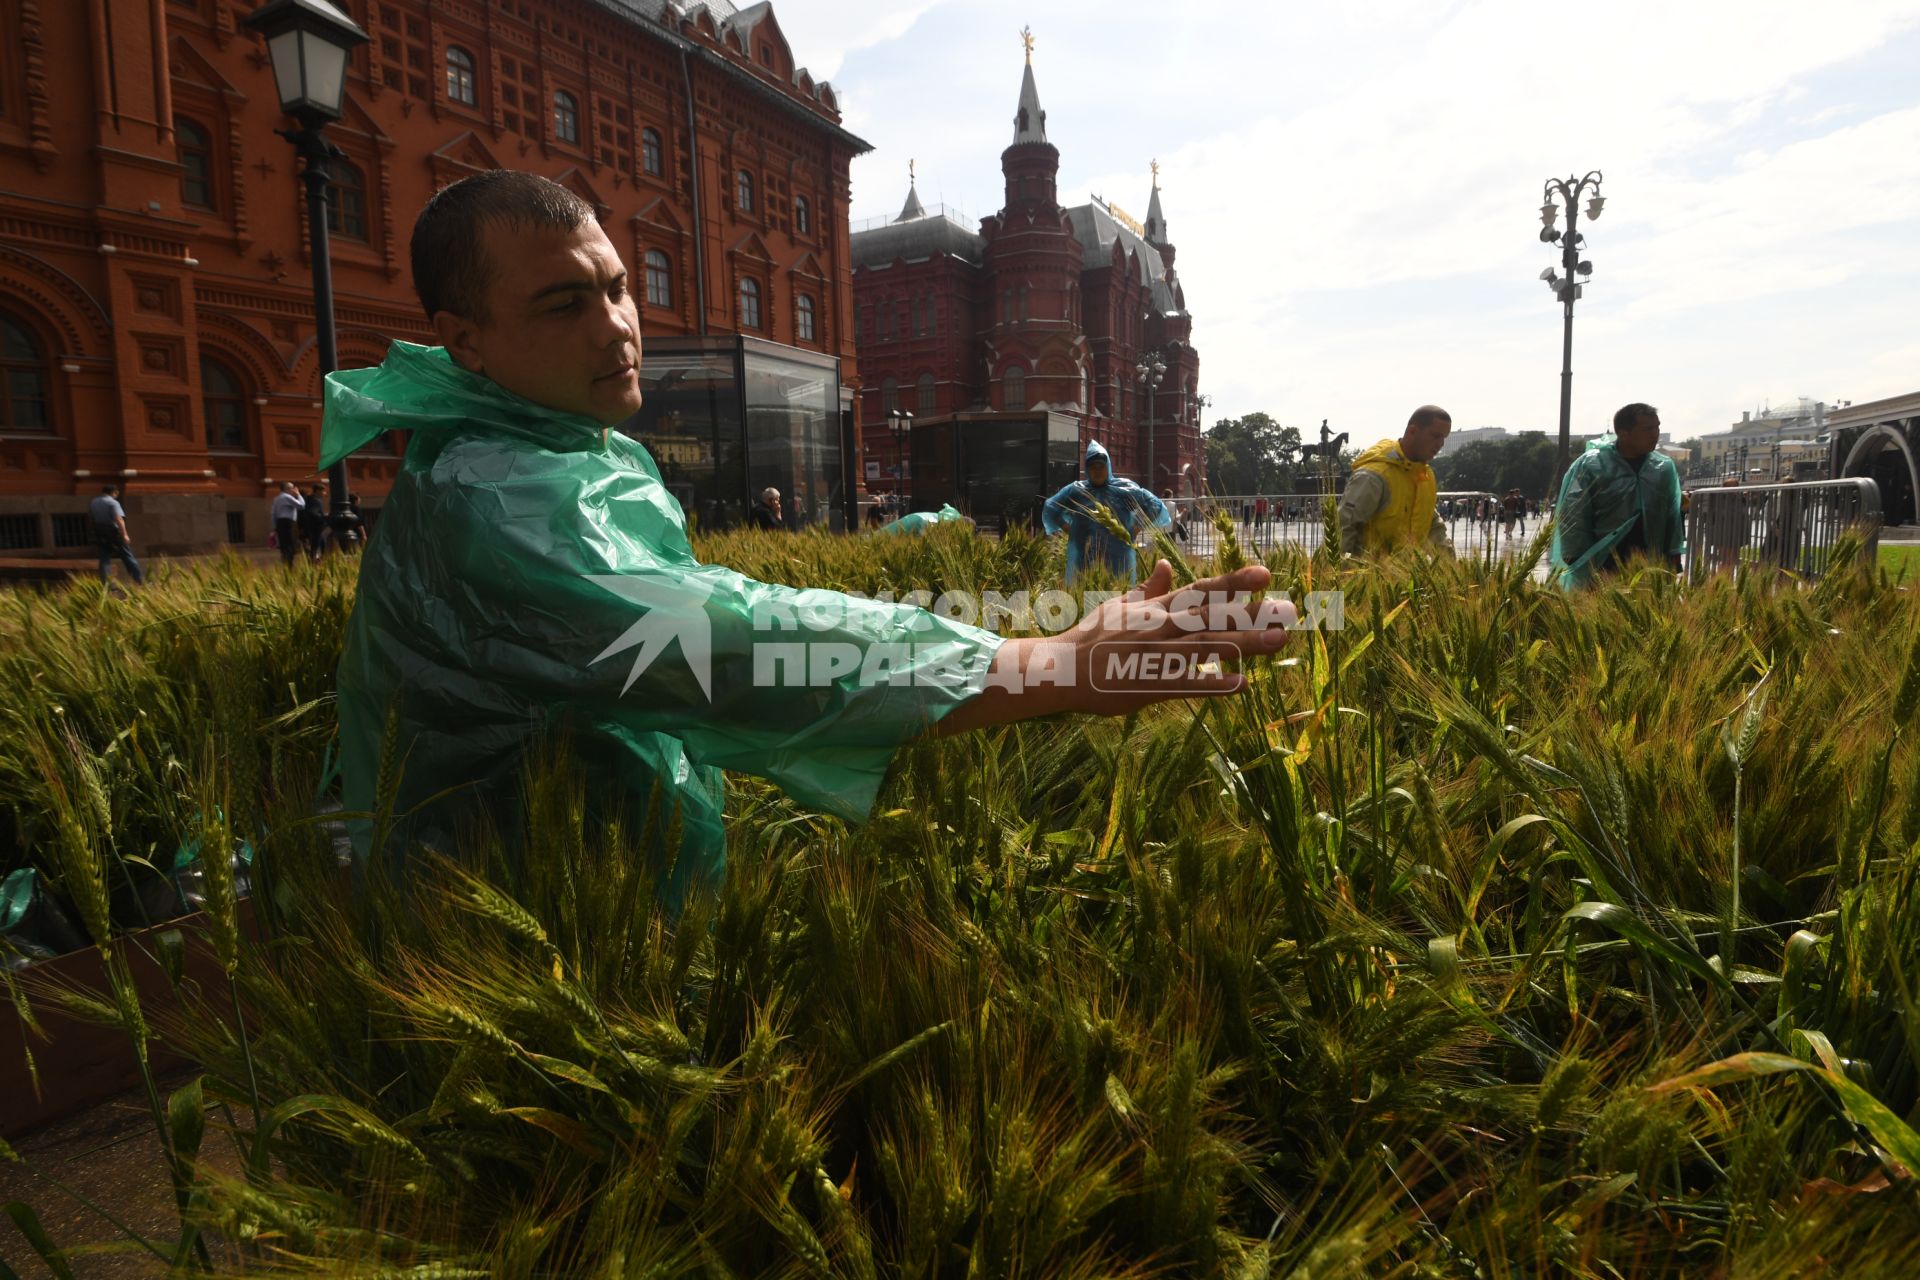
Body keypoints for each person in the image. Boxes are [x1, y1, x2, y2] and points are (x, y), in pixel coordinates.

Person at [323, 171, 1294, 902]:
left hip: (590, 896)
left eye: (617, 286)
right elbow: (727, 641)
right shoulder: (497, 501)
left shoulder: (536, 451)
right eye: (563, 302)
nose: (617, 324)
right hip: (522, 925)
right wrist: (1050, 664)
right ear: (465, 338)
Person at [1551, 402, 1684, 589]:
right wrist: (1577, 557)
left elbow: (1673, 515)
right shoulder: (1592, 465)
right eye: (1647, 429)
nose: (1655, 434)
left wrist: (1674, 555)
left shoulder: (1663, 468)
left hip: (1651, 560)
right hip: (1603, 559)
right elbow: (1574, 514)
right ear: (1624, 434)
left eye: (1657, 427)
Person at [1041, 440, 1172, 584]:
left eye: (1101, 466)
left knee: (1118, 599)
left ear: (1108, 467)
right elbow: (1051, 507)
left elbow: (1154, 504)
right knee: (1086, 596)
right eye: (1093, 467)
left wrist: (1138, 526)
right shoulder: (1076, 490)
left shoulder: (1123, 489)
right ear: (1087, 469)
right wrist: (1069, 529)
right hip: (1085, 555)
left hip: (1119, 555)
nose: (1097, 471)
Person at [1336, 406, 1452, 556]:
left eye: (1444, 438)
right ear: (1412, 432)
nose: (1440, 444)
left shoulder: (1425, 475)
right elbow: (1343, 529)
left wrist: (1451, 564)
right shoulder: (1373, 477)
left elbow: (1432, 523)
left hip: (1407, 576)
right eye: (1435, 436)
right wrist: (1329, 575)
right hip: (1369, 576)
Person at [87, 483, 144, 586]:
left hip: (100, 532)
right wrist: (125, 534)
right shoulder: (113, 503)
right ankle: (139, 580)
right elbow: (119, 519)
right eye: (116, 493)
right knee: (127, 556)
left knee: (104, 558)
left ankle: (106, 584)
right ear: (114, 492)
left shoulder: (93, 502)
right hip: (113, 532)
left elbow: (91, 519)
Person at [270, 481, 304, 567]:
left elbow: (273, 513)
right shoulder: (287, 497)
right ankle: (289, 565)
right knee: (290, 544)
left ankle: (286, 564)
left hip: (280, 523)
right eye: (292, 487)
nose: (294, 489)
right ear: (287, 489)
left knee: (284, 545)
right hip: (288, 523)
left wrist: (275, 527)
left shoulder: (277, 498)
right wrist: (298, 494)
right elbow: (301, 505)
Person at [297, 484, 330, 562]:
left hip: (311, 527)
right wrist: (324, 517)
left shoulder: (308, 499)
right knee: (317, 545)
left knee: (321, 544)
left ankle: (316, 560)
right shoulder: (315, 500)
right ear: (318, 491)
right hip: (316, 527)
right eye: (324, 491)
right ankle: (314, 561)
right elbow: (313, 513)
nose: (325, 493)